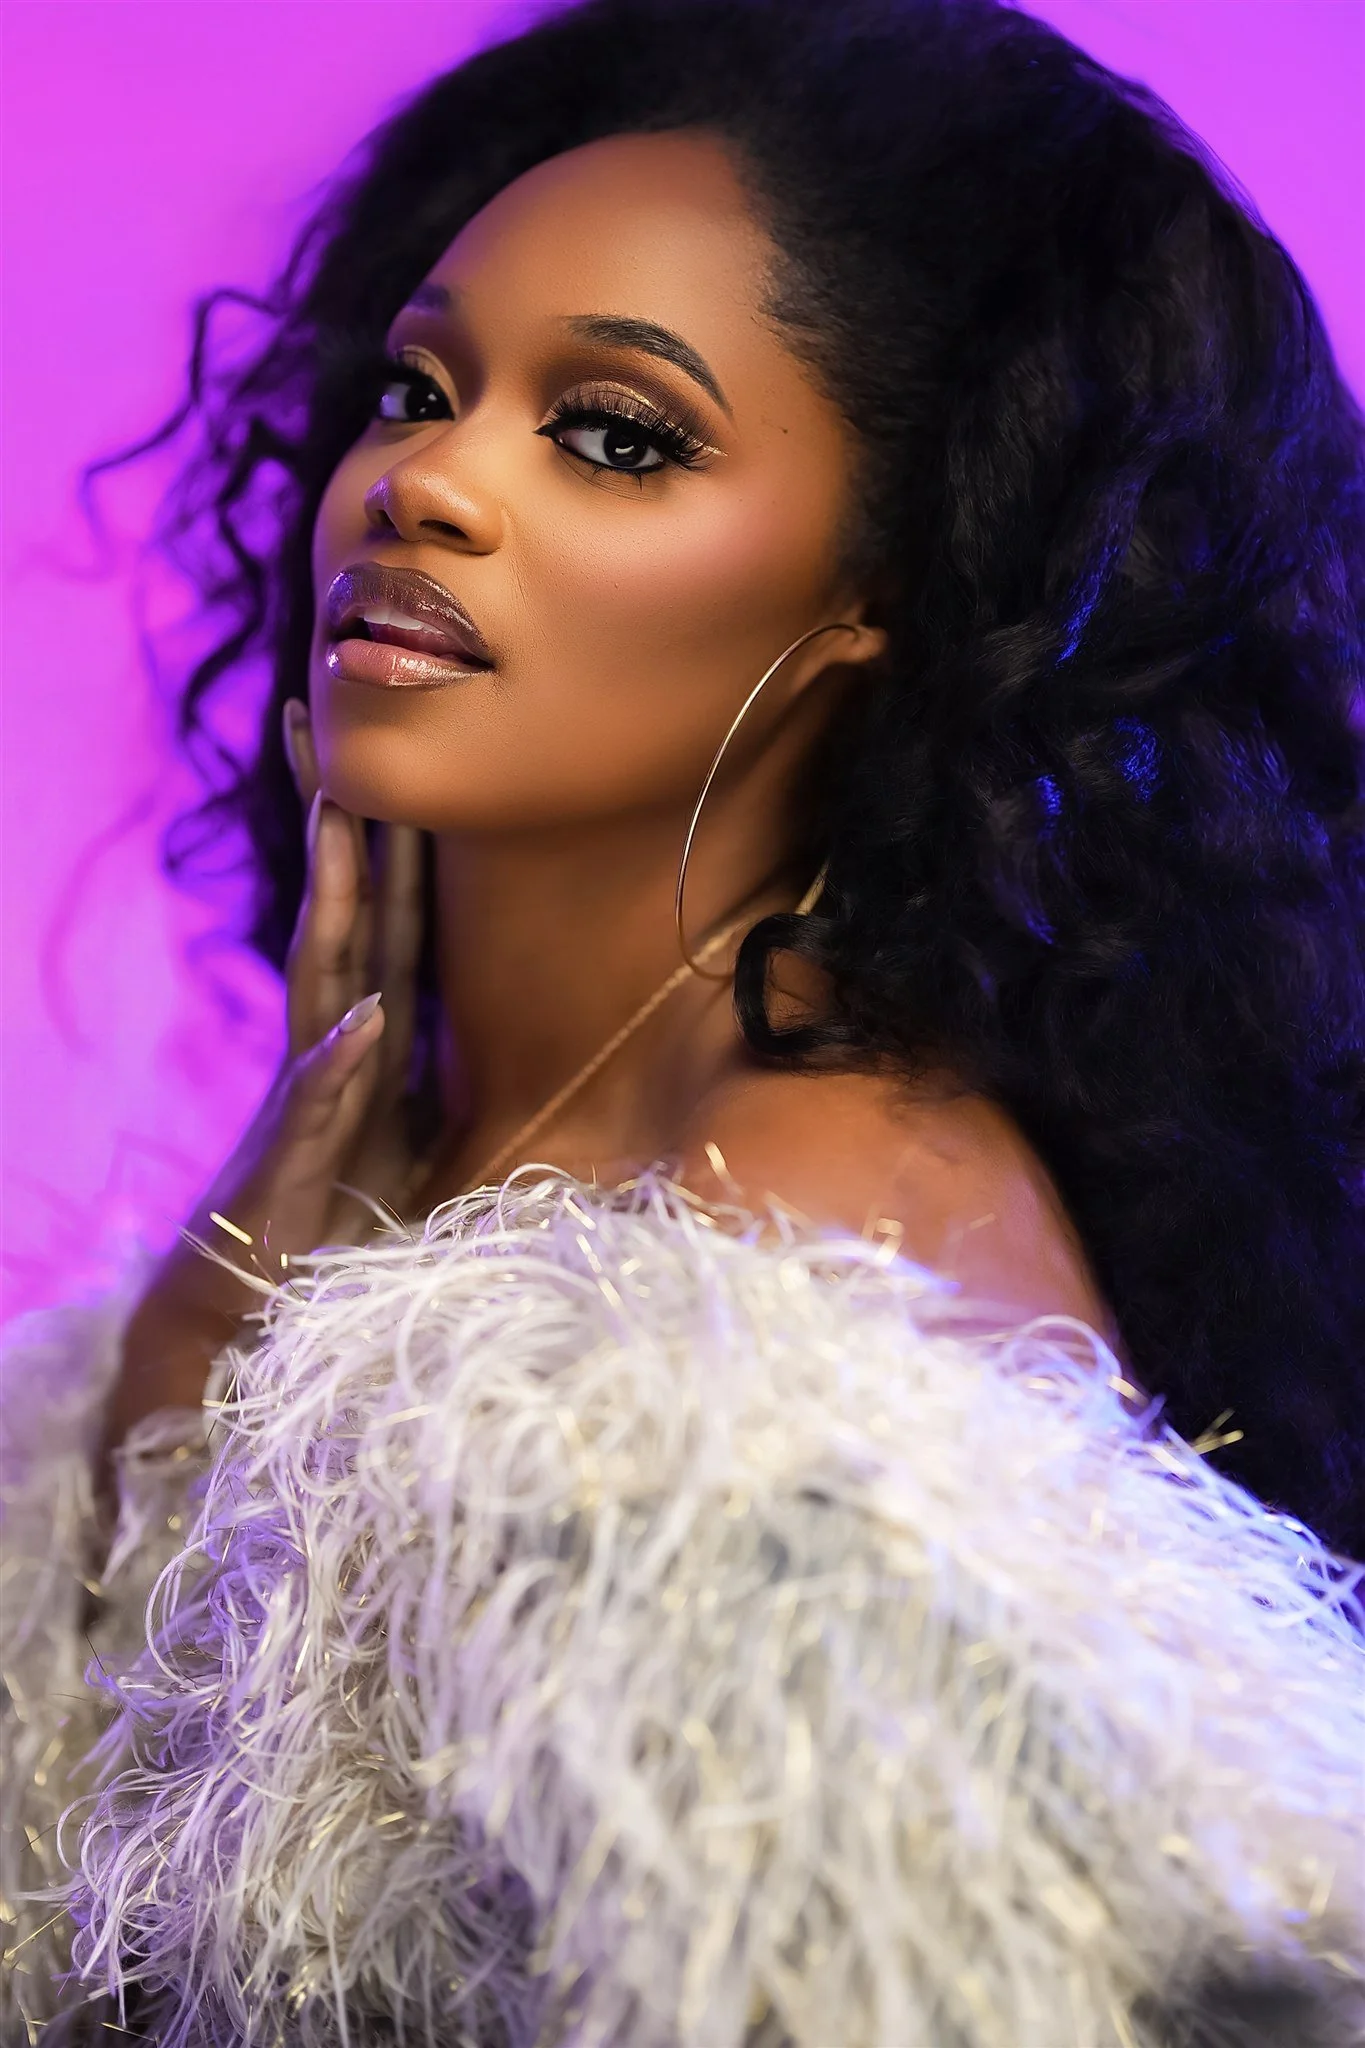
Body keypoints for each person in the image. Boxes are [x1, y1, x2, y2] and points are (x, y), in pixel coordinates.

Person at [3, 0, 1363, 2040]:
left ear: (874, 593)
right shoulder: (391, 1157)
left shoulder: (807, 1247)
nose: (424, 479)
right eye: (417, 384)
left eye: (615, 433)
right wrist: (197, 1343)